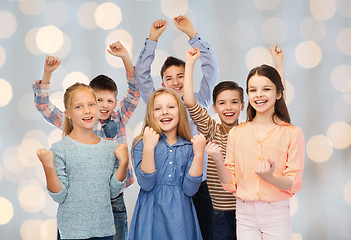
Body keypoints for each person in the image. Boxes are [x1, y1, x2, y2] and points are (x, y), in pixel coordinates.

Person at [33, 41, 139, 240]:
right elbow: (44, 106)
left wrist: (125, 58)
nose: (100, 107)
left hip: (112, 198)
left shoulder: (119, 118)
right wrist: (47, 74)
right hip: (77, 207)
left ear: (115, 103)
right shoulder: (71, 126)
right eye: (96, 100)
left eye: (108, 101)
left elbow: (134, 93)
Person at [184, 45, 286, 239]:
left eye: (233, 102)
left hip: (248, 210)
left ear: (242, 106)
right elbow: (189, 101)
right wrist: (190, 63)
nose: (228, 107)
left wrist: (278, 63)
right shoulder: (211, 129)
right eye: (222, 103)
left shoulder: (250, 129)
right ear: (214, 107)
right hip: (219, 212)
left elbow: (277, 102)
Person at [135, 15, 218, 239]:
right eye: (169, 78)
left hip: (197, 184)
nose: (176, 82)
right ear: (162, 84)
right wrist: (152, 39)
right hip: (163, 186)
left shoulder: (199, 102)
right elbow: (141, 76)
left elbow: (211, 70)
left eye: (181, 76)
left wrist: (193, 35)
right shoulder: (159, 105)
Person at [206, 64, 305, 240]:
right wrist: (217, 159)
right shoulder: (237, 133)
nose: (259, 94)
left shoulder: (292, 133)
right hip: (244, 214)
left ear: (279, 93)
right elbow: (230, 183)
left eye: (266, 89)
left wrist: (270, 178)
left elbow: (293, 182)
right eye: (253, 90)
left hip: (276, 213)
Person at [37, 83, 128, 240]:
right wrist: (48, 166)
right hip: (71, 232)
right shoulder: (60, 148)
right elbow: (59, 195)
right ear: (69, 113)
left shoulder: (110, 148)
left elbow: (113, 192)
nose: (87, 110)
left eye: (91, 104)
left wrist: (124, 163)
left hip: (104, 231)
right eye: (79, 107)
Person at [127, 88, 206, 240]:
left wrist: (199, 155)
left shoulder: (189, 147)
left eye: (170, 107)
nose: (164, 112)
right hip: (150, 215)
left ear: (180, 111)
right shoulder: (141, 144)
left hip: (180, 218)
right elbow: (146, 184)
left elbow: (190, 189)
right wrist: (149, 148)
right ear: (151, 113)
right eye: (158, 108)